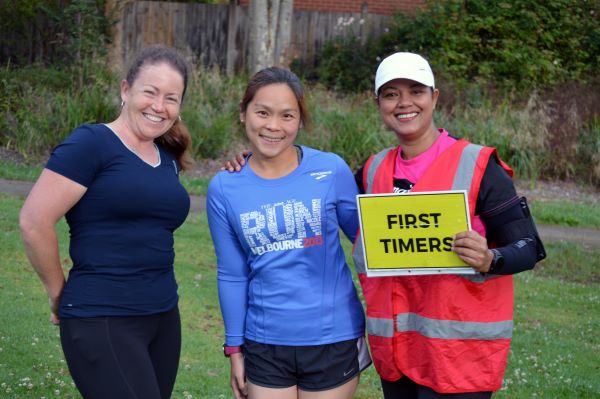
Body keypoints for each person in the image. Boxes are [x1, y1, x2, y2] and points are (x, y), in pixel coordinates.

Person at [224, 53, 546, 398]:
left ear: (434, 97)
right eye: (391, 94)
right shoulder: (373, 171)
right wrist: (255, 161)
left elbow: (529, 247)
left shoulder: (477, 164)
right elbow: (310, 183)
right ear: (378, 103)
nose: (404, 102)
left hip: (459, 357)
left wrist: (490, 258)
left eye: (416, 91)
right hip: (398, 355)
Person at [19, 44, 192, 399]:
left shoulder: (167, 155)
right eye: (150, 92)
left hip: (162, 316)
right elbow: (34, 221)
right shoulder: (91, 143)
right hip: (103, 317)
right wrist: (57, 294)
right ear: (125, 89)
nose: (159, 106)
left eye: (171, 98)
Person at [206, 67, 371, 399]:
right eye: (262, 112)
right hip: (264, 341)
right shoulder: (224, 187)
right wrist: (234, 349)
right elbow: (232, 274)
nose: (273, 126)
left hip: (333, 337)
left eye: (286, 116)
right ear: (243, 113)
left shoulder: (331, 170)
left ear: (300, 122)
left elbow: (369, 244)